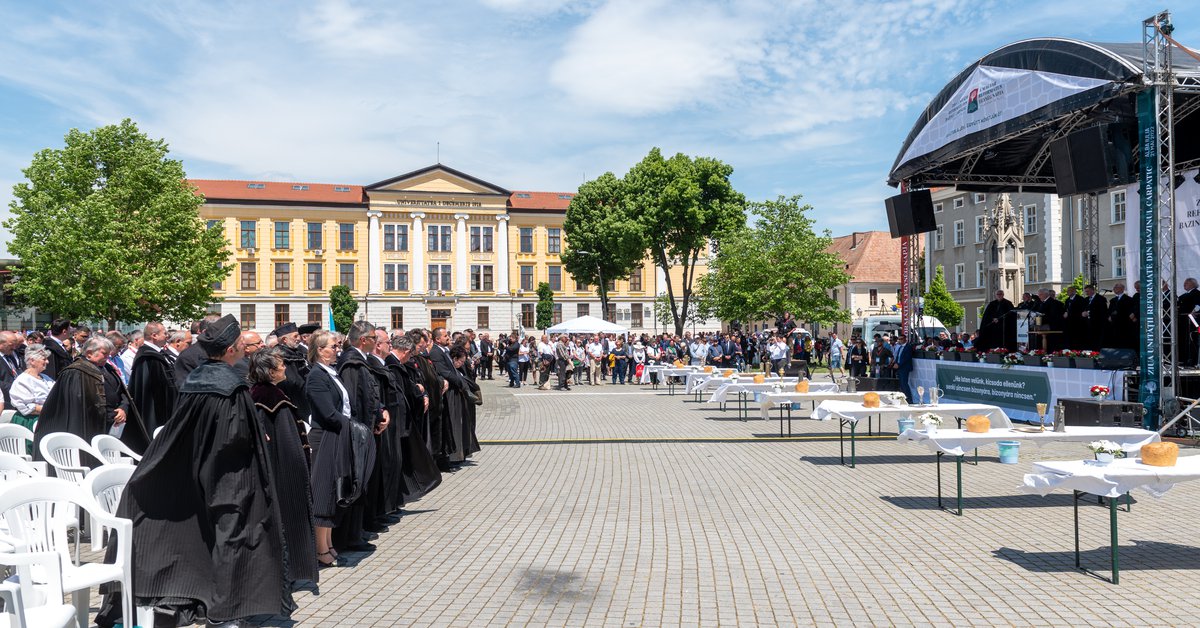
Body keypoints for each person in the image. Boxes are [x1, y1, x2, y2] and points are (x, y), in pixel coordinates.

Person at [98, 314, 290, 627]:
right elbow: (235, 437)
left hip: (196, 469)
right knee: (233, 535)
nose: (244, 347)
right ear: (230, 350)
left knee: (205, 535)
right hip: (229, 476)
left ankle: (203, 598)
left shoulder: (197, 380)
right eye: (241, 343)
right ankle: (226, 609)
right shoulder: (231, 387)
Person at [247, 349, 318, 585]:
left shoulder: (273, 393)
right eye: (280, 365)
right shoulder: (265, 397)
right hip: (280, 468)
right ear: (269, 371)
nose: (285, 367)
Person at [306, 329, 374, 568]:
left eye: (337, 346)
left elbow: (346, 406)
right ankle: (320, 548)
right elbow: (328, 413)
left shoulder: (332, 372)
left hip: (339, 436)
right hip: (325, 439)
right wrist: (353, 427)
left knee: (334, 494)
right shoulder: (316, 375)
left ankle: (329, 544)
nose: (337, 350)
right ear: (319, 350)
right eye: (333, 347)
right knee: (323, 494)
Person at [34, 336, 149, 459]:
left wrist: (123, 408)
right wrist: (110, 415)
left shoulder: (108, 369)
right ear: (89, 353)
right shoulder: (75, 373)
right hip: (91, 427)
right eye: (104, 354)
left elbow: (122, 393)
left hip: (114, 425)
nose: (107, 357)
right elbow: (79, 406)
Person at [333, 321, 388, 552]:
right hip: (358, 431)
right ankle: (351, 536)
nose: (376, 342)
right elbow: (353, 402)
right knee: (357, 480)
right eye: (374, 338)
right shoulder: (351, 364)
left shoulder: (359, 361)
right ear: (363, 340)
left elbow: (371, 394)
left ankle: (358, 531)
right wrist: (365, 426)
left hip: (367, 428)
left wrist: (380, 412)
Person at [129, 321, 179, 435]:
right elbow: (146, 392)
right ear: (154, 335)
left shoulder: (161, 354)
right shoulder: (146, 357)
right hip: (155, 410)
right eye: (164, 333)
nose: (167, 336)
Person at [9, 343, 54, 438]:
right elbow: (26, 407)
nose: (47, 362)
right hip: (29, 422)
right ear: (32, 361)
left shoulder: (45, 377)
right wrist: (52, 409)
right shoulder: (23, 380)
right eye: (44, 359)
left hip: (47, 418)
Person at [174, 313, 221, 387]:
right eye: (220, 331)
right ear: (206, 332)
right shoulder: (187, 357)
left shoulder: (222, 352)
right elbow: (186, 388)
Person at [1107, 282, 1137, 350]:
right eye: (1114, 288)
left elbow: (1129, 311)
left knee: (1124, 344)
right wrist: (1109, 316)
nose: (1114, 289)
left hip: (1124, 325)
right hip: (1114, 325)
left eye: (1116, 287)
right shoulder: (1113, 300)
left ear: (1122, 289)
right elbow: (1109, 311)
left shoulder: (1128, 299)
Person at [1082, 284, 1108, 351]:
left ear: (1093, 290)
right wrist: (1083, 313)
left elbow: (1103, 312)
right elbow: (1084, 308)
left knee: (1097, 343)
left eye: (1088, 291)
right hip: (1088, 325)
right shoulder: (1086, 299)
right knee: (1089, 343)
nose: (1086, 293)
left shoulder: (1101, 299)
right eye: (1086, 291)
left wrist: (1089, 313)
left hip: (1097, 325)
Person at [893, 333, 915, 402]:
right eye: (899, 339)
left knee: (904, 384)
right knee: (901, 384)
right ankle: (903, 399)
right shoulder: (900, 347)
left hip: (905, 367)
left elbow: (906, 358)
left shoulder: (908, 347)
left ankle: (909, 400)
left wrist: (898, 364)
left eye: (901, 339)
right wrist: (895, 363)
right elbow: (898, 356)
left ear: (905, 339)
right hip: (899, 367)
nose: (900, 340)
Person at [1063, 285, 1086, 350]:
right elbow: (1065, 309)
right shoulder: (1067, 300)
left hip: (1077, 323)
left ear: (1074, 291)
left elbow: (1082, 310)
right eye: (1067, 291)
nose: (1068, 292)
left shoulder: (1080, 299)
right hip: (1069, 323)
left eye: (1069, 291)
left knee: (1077, 340)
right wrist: (1065, 313)